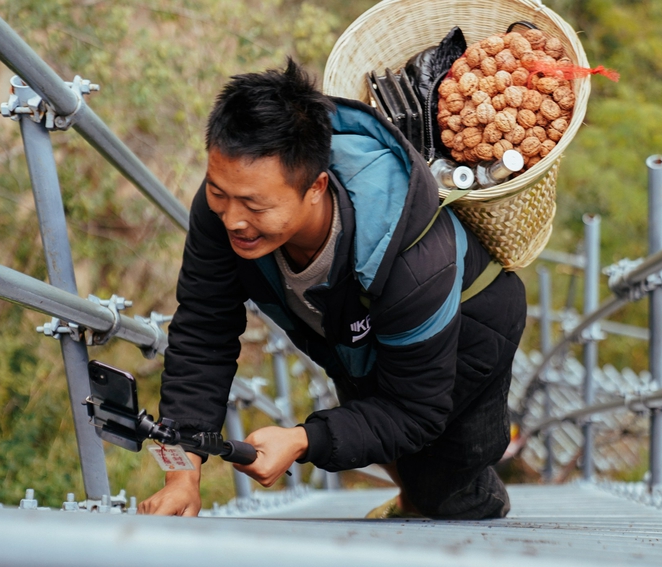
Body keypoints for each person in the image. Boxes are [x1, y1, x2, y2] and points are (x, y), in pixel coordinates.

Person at [138, 59, 526, 520]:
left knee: (444, 487)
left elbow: (415, 411)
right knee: (383, 440)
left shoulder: (414, 263)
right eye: (220, 194)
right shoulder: (225, 205)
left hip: (473, 325)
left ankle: (461, 489)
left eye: (254, 206)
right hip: (348, 327)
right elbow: (203, 330)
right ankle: (411, 495)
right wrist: (182, 471)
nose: (233, 220)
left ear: (317, 187)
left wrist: (303, 440)